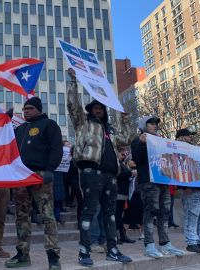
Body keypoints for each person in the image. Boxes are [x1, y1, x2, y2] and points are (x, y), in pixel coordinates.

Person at [67, 68, 133, 266]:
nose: (98, 110)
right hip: (90, 172)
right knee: (89, 211)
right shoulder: (83, 123)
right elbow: (72, 105)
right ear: (90, 110)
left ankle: (112, 249)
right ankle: (84, 251)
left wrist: (125, 118)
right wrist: (73, 82)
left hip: (110, 175)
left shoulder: (110, 130)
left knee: (110, 214)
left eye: (101, 108)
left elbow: (127, 138)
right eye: (95, 108)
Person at [4, 96, 63, 270]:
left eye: (29, 108)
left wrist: (50, 170)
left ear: (38, 109)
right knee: (21, 216)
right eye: (24, 109)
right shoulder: (20, 129)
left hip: (40, 175)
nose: (26, 111)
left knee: (47, 215)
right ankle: (23, 255)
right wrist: (5, 122)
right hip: (22, 176)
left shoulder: (49, 125)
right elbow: (7, 141)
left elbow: (56, 148)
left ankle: (53, 257)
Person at [131, 116, 184, 259]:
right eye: (151, 123)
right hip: (148, 182)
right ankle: (149, 245)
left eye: (156, 124)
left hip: (163, 181)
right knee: (151, 211)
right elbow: (137, 159)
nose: (155, 126)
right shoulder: (138, 140)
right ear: (144, 125)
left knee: (165, 212)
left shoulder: (161, 141)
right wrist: (142, 144)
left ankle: (165, 243)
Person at [116, 150, 136, 244]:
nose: (123, 156)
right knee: (117, 215)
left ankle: (122, 235)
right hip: (118, 192)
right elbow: (119, 174)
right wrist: (131, 173)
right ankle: (116, 236)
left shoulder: (121, 163)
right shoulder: (117, 163)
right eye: (122, 154)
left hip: (123, 193)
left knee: (119, 215)